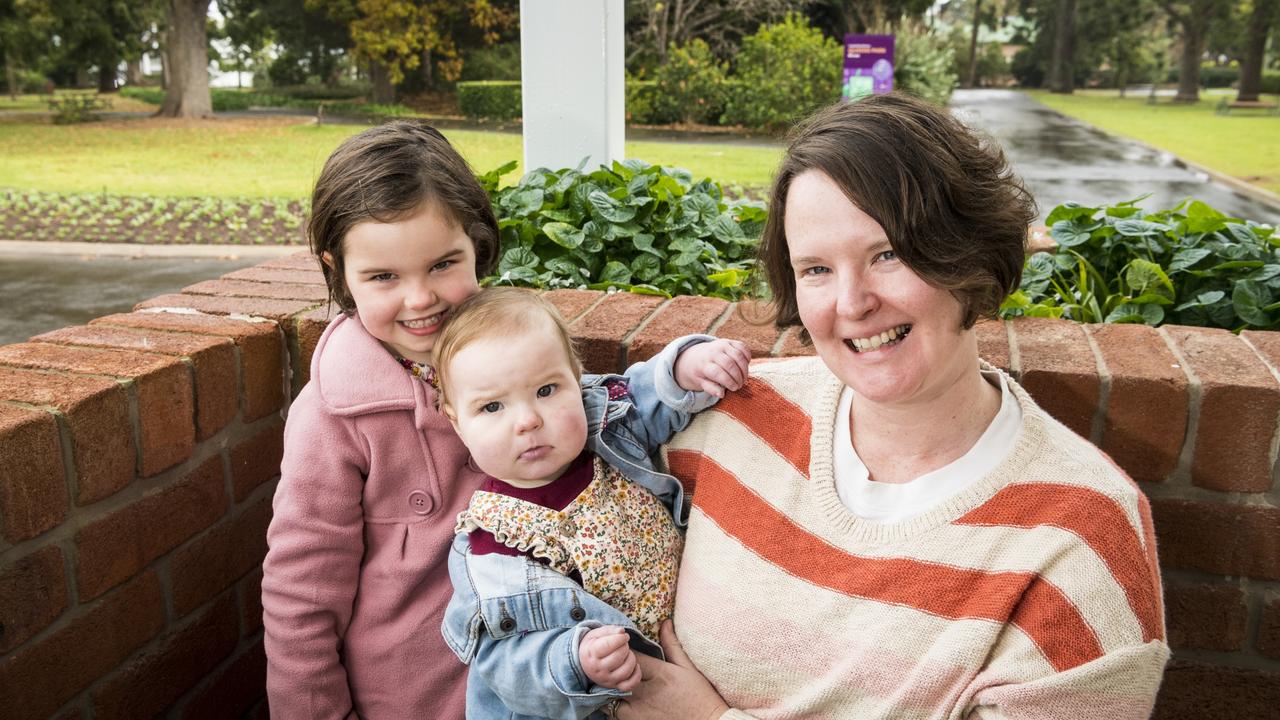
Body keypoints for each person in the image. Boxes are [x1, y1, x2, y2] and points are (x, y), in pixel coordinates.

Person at [617, 93, 1170, 720]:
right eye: (817, 268)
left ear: (969, 253)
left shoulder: (1082, 534)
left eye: (888, 254)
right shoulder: (727, 417)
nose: (851, 304)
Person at [260, 121, 501, 719]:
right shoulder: (330, 417)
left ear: (478, 245)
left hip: (538, 683)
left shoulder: (522, 355)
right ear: (339, 270)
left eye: (444, 264)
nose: (420, 299)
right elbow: (302, 597)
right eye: (383, 277)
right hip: (408, 700)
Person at [435, 287, 751, 720]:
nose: (527, 420)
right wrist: (574, 657)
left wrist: (686, 366)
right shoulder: (490, 547)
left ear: (576, 377)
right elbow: (504, 665)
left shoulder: (607, 436)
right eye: (492, 406)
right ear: (457, 421)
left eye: (547, 389)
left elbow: (648, 393)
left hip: (672, 671)